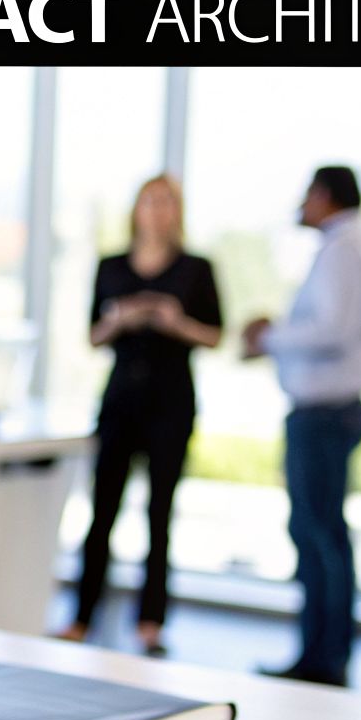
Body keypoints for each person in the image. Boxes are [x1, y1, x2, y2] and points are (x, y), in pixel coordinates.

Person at [55, 176, 222, 656]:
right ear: (136, 209)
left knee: (159, 514)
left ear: (177, 211)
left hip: (171, 400)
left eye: (167, 202)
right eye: (150, 201)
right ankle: (82, 615)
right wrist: (120, 320)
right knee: (101, 510)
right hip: (121, 397)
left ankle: (150, 621)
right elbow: (92, 335)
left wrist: (176, 322)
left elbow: (215, 334)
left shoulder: (196, 269)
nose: (157, 211)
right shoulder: (112, 266)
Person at [243, 165, 361, 688]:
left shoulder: (343, 250)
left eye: (307, 194)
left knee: (318, 534)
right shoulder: (355, 247)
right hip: (333, 410)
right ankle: (325, 652)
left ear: (325, 196)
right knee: (324, 531)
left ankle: (321, 659)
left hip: (324, 413)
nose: (302, 204)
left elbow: (333, 328)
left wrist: (270, 338)